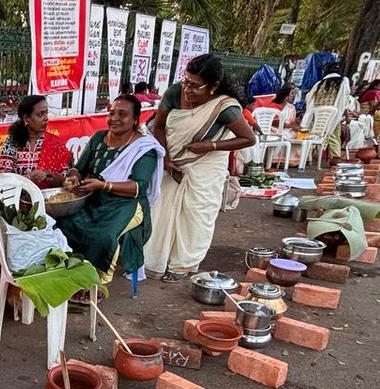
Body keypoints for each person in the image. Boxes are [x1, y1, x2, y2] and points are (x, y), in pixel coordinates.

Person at [144, 54, 255, 282]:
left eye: (195, 86)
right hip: (172, 162)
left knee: (195, 215)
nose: (187, 89)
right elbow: (159, 127)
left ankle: (182, 264)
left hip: (205, 166)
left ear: (213, 86)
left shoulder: (225, 107)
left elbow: (248, 138)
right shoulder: (174, 93)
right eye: (186, 81)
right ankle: (155, 261)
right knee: (161, 211)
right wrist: (164, 158)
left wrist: (211, 145)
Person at [55, 95, 164, 284]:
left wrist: (104, 185)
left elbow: (139, 187)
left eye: (122, 114)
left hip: (127, 204)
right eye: (112, 113)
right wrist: (74, 176)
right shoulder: (99, 138)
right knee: (65, 223)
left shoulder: (144, 148)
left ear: (136, 120)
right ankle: (72, 273)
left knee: (103, 236)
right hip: (95, 199)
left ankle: (97, 282)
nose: (114, 118)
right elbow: (78, 168)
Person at [0, 95, 72, 188]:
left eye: (46, 113)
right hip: (19, 199)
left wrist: (46, 176)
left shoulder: (55, 144)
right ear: (26, 118)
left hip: (50, 199)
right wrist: (29, 177)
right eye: (40, 114)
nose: (46, 118)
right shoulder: (12, 143)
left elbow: (65, 178)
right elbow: (4, 180)